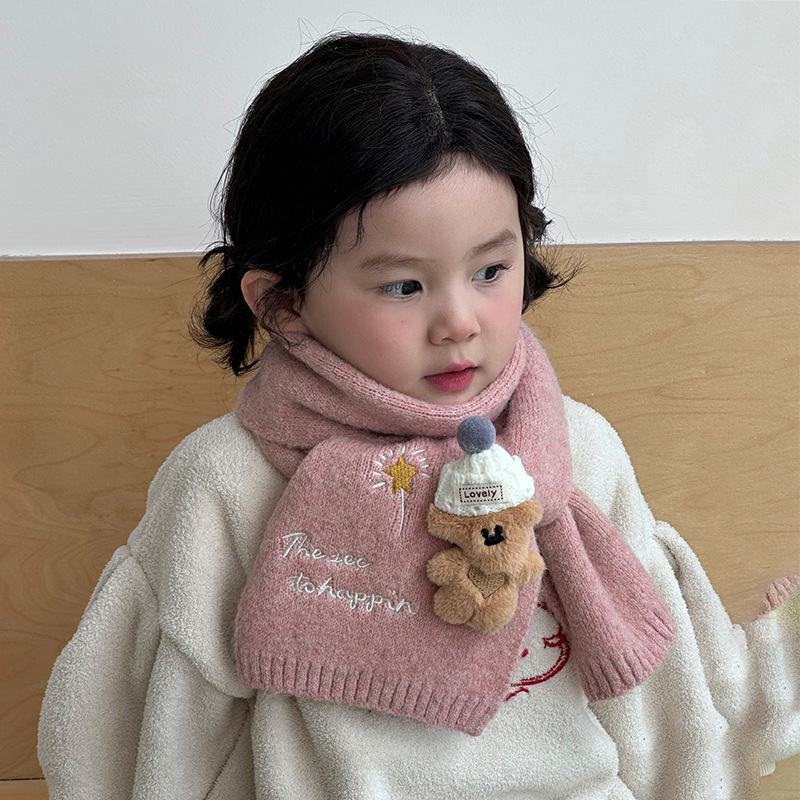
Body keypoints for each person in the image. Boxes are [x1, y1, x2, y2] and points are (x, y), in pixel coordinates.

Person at [38, 32, 799, 800]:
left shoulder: (577, 450)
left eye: (491, 269)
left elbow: (666, 709)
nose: (459, 322)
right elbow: (145, 733)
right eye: (404, 286)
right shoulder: (225, 481)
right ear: (283, 301)